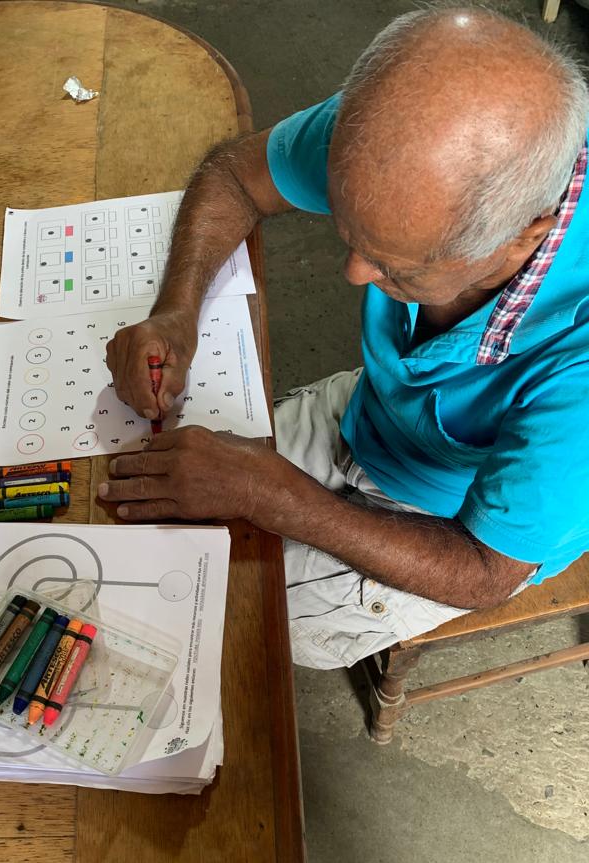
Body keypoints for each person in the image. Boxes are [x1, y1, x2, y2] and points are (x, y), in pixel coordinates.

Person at [99, 6, 589, 670]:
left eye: (393, 264)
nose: (354, 274)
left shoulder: (578, 373)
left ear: (525, 238)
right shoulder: (406, 132)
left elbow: (484, 572)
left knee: (200, 625)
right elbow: (236, 175)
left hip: (460, 520)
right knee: (150, 525)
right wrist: (176, 311)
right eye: (350, 233)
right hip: (379, 415)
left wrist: (269, 495)